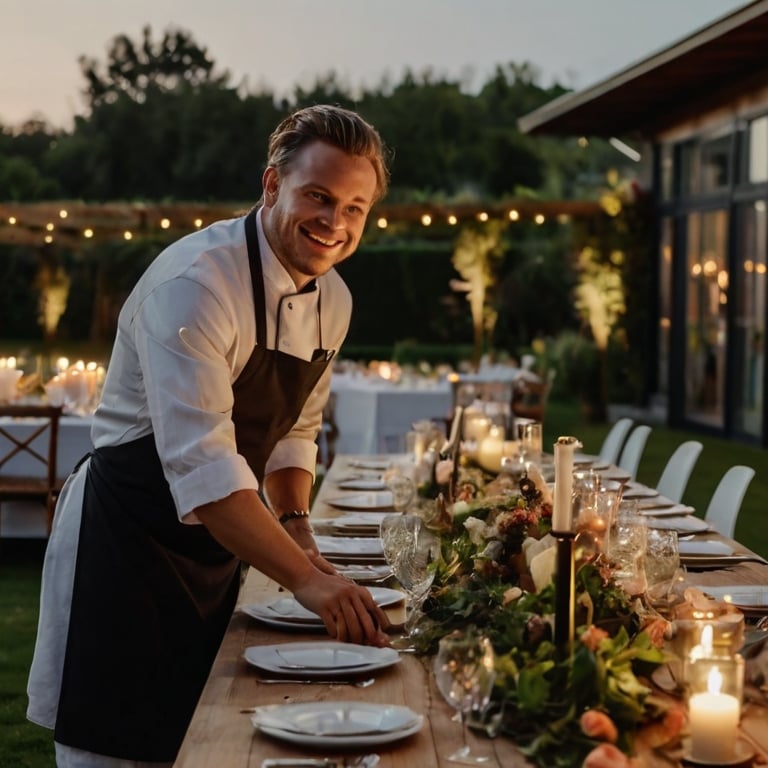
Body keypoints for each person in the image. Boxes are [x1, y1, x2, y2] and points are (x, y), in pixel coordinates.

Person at [27, 104, 392, 767]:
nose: (334, 222)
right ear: (272, 184)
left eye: (355, 207)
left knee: (206, 739)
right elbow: (207, 470)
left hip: (218, 545)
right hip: (126, 543)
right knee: (114, 744)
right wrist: (307, 583)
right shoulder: (197, 285)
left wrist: (297, 525)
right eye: (318, 195)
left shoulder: (332, 300)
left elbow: (294, 430)